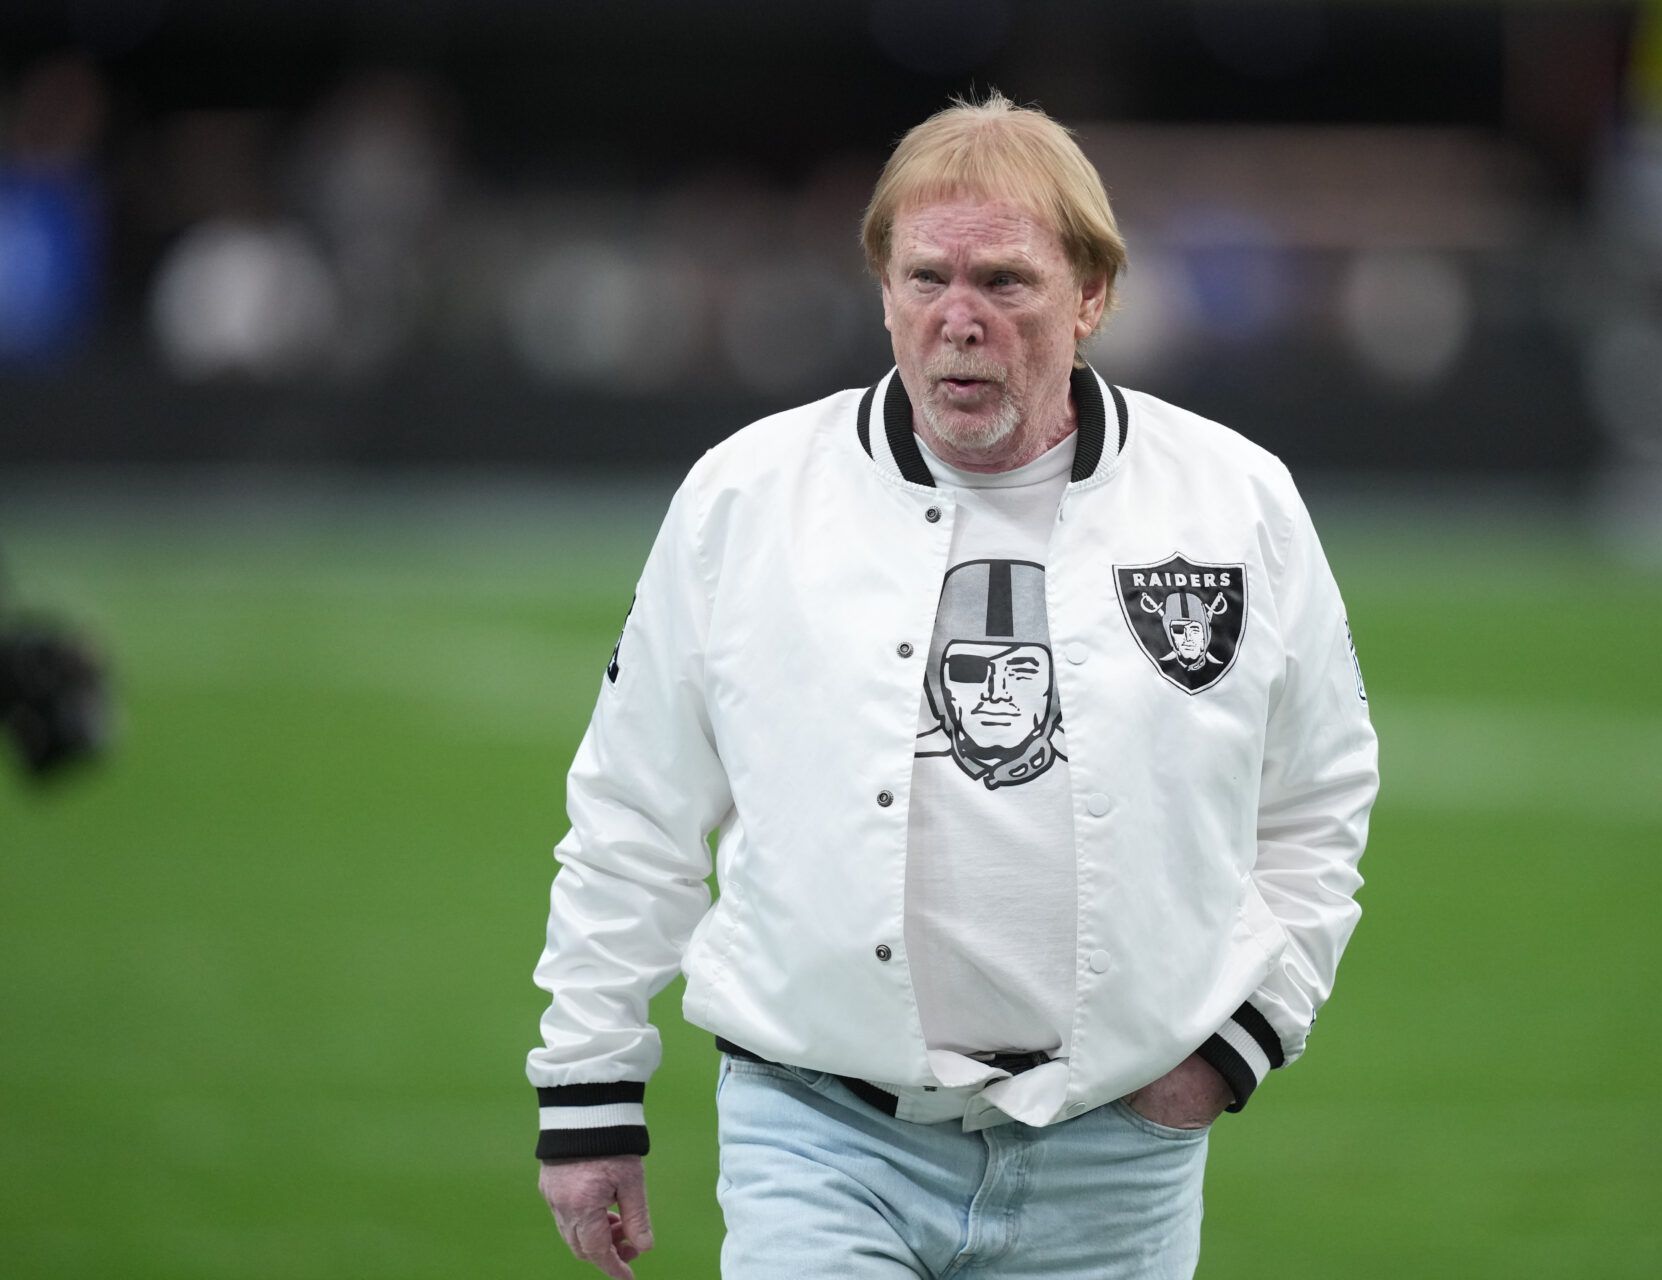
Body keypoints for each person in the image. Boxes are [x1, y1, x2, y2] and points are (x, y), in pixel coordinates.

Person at [528, 91, 1379, 1280]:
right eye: (925, 278)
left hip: (1118, 1159)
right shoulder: (746, 498)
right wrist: (588, 1088)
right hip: (817, 1135)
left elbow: (1320, 794)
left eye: (1005, 282)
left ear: (1092, 296)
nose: (958, 319)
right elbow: (635, 809)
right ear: (882, 291)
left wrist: (1237, 1044)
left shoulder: (1234, 502)